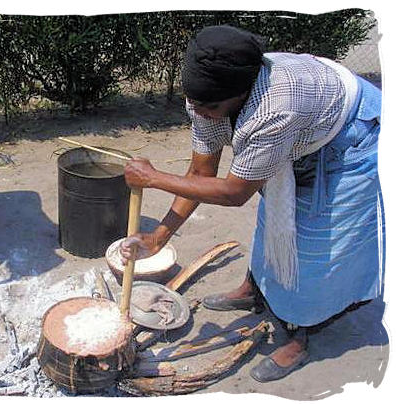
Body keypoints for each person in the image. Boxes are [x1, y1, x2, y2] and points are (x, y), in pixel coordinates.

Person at [120, 25, 384, 382]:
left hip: (350, 138)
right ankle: (255, 290)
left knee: (313, 245)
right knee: (272, 218)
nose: (200, 112)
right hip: (303, 128)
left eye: (209, 107)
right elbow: (202, 172)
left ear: (240, 94)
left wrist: (153, 178)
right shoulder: (206, 98)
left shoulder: (273, 111)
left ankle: (298, 333)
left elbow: (234, 192)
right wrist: (158, 237)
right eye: (194, 104)